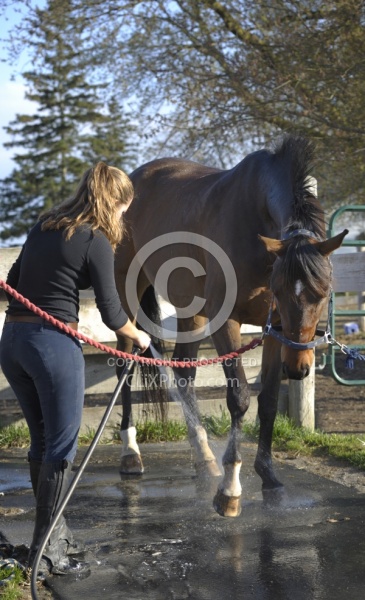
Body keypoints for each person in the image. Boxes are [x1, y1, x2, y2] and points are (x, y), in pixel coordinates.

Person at [0, 162, 150, 579]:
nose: (122, 218)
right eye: (124, 209)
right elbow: (112, 311)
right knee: (62, 448)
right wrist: (137, 336)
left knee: (42, 441)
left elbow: (13, 279)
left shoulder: (44, 224)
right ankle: (46, 551)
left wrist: (58, 308)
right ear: (113, 202)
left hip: (12, 342)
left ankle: (55, 535)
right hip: (51, 348)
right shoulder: (96, 239)